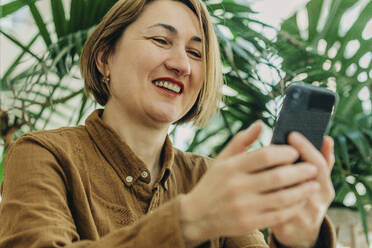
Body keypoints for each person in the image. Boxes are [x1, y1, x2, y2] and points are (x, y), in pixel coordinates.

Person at [0, 0, 336, 247]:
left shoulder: (209, 177)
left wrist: (299, 240)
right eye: (161, 40)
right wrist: (188, 220)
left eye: (196, 53)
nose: (181, 65)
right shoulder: (42, 154)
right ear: (105, 58)